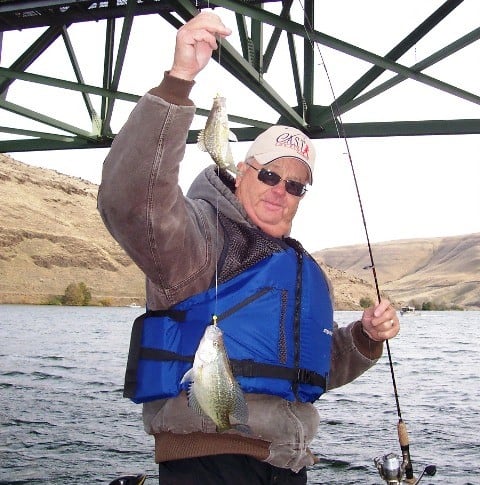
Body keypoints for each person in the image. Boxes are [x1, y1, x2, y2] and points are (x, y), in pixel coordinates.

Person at [98, 11, 400, 485]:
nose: (281, 189)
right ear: (241, 173)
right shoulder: (200, 237)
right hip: (210, 461)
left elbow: (313, 367)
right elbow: (132, 201)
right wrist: (178, 82)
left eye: (296, 186)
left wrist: (363, 337)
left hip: (288, 464)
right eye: (269, 175)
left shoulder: (303, 270)